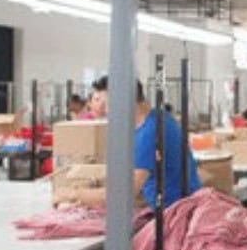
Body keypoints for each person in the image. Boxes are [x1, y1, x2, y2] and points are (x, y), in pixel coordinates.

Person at [56, 77, 201, 209]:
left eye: (108, 106)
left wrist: (73, 194)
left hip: (173, 213)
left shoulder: (149, 132)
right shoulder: (159, 116)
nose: (107, 112)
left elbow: (122, 196)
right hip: (177, 204)